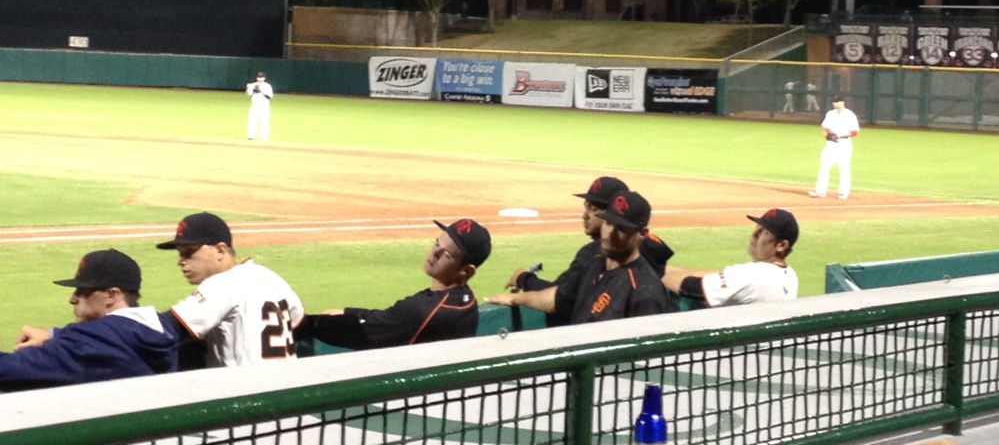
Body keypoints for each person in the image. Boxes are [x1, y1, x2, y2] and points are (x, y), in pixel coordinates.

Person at [503, 176, 674, 327]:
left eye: (621, 228)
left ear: (642, 234)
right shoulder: (595, 261)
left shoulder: (644, 291)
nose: (610, 233)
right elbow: (561, 296)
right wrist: (516, 298)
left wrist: (524, 280)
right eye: (608, 223)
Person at [296, 218, 491, 350]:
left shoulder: (425, 310)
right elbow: (387, 318)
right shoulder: (466, 301)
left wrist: (308, 322)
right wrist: (347, 312)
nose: (434, 253)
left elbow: (360, 332)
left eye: (446, 254)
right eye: (436, 244)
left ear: (466, 271)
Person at [0, 249, 177, 391]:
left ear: (111, 295)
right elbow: (107, 334)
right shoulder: (159, 326)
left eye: (82, 291)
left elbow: (10, 369)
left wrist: (59, 338)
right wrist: (54, 334)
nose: (73, 299)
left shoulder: (97, 343)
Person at [157, 211, 304, 367]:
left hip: (251, 388)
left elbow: (165, 329)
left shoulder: (221, 285)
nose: (181, 261)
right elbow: (298, 321)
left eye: (188, 253)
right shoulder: (273, 279)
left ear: (220, 251)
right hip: (291, 385)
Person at [662, 209, 799, 308]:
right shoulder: (789, 274)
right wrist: (666, 268)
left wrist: (651, 270)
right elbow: (717, 275)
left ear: (781, 245)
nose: (754, 234)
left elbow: (690, 288)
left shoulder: (753, 275)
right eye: (758, 227)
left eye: (765, 232)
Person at [809, 94, 861, 199]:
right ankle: (820, 191)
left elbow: (855, 132)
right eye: (833, 101)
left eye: (837, 101)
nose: (834, 103)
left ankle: (843, 192)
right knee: (824, 167)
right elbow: (825, 127)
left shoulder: (850, 115)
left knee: (844, 169)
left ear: (843, 102)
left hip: (844, 144)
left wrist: (839, 135)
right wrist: (827, 134)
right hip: (830, 145)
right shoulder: (830, 114)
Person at [245, 71, 274, 140]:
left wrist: (260, 91)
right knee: (252, 120)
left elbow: (269, 96)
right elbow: (248, 93)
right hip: (255, 105)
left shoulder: (267, 86)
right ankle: (251, 136)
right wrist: (248, 87)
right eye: (259, 77)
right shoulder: (253, 85)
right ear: (257, 78)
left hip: (264, 105)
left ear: (264, 78)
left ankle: (264, 137)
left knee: (264, 121)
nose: (260, 78)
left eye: (261, 77)